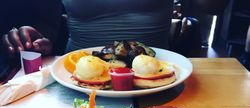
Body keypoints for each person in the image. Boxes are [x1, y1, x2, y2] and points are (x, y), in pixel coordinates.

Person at [1, 0, 229, 58]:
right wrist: (38, 41)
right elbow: (47, 27)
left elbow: (214, 6)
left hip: (157, 77)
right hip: (75, 78)